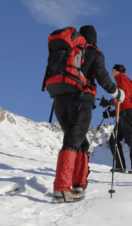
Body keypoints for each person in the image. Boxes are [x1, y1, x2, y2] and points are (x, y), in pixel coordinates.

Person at [52, 25, 125, 203]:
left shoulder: (67, 51)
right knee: (72, 141)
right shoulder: (93, 52)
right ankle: (61, 189)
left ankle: (79, 184)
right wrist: (117, 93)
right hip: (81, 101)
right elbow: (102, 77)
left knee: (80, 142)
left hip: (59, 101)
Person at [102, 65, 132, 174]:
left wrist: (110, 102)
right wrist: (111, 112)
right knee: (113, 140)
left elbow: (123, 96)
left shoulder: (123, 79)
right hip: (123, 112)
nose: (111, 73)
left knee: (131, 139)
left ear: (118, 71)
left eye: (113, 71)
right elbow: (121, 102)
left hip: (128, 113)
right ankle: (120, 166)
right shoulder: (119, 81)